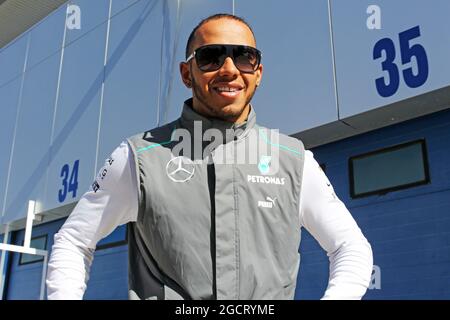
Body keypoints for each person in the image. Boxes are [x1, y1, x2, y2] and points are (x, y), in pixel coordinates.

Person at [46, 13, 373, 300]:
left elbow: (350, 247)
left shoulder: (293, 160)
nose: (229, 70)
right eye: (211, 57)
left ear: (258, 72)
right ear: (187, 73)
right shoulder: (139, 158)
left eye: (244, 57)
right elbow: (74, 240)